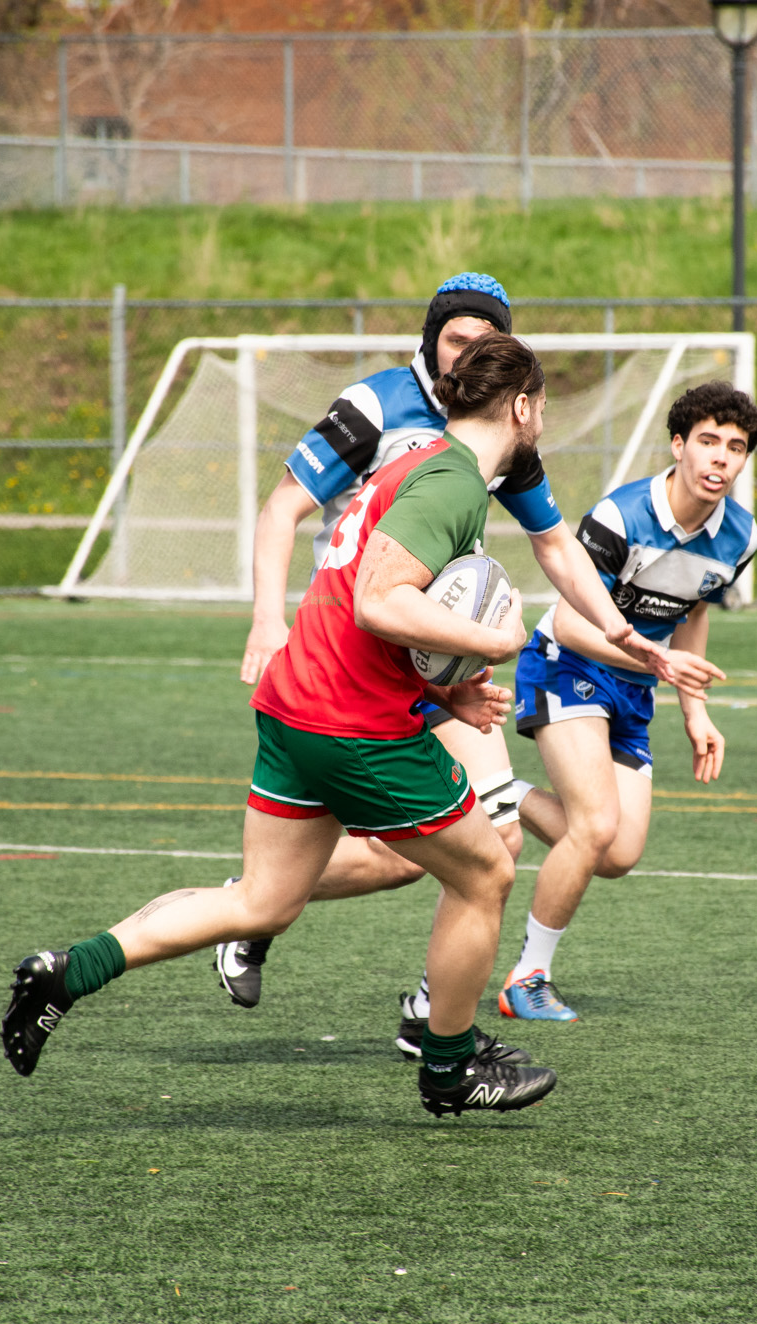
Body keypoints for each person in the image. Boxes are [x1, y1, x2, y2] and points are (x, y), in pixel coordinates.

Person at [4, 334, 644, 1115]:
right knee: (486, 871)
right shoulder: (450, 483)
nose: (542, 417)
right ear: (521, 406)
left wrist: (448, 698)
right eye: (541, 404)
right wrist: (497, 641)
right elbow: (381, 600)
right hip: (351, 723)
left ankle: (68, 971)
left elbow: (361, 611)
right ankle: (448, 1068)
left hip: (296, 701)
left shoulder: (414, 463)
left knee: (263, 902)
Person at [221, 272, 671, 1047]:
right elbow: (282, 508)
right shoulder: (376, 406)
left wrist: (618, 626)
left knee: (492, 836)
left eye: (483, 342)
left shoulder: (496, 425)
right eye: (456, 337)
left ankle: (431, 1011)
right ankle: (254, 906)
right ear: (430, 340)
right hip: (353, 656)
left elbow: (554, 543)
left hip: (435, 661)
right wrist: (267, 621)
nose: (467, 352)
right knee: (431, 853)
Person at [491, 381, 753, 1022]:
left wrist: (695, 710)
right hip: (566, 665)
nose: (720, 459)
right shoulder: (620, 517)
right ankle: (527, 978)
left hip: (635, 685)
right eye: (708, 442)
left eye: (736, 448)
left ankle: (502, 795)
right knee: (594, 826)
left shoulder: (739, 536)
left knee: (618, 854)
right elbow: (574, 622)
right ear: (678, 445)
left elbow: (690, 612)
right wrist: (654, 657)